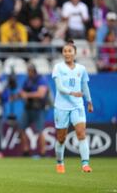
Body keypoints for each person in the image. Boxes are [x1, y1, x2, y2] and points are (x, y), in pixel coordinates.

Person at [52, 40, 94, 173]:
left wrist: (89, 101)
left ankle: (85, 164)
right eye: (64, 51)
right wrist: (72, 93)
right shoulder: (58, 67)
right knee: (61, 138)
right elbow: (59, 87)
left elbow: (85, 85)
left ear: (75, 53)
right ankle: (60, 162)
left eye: (69, 51)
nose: (67, 53)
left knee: (81, 133)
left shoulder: (81, 69)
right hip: (61, 106)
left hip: (77, 106)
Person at [18, 63, 49, 157]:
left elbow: (41, 94)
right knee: (21, 128)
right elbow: (22, 91)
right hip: (28, 108)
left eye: (29, 71)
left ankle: (43, 152)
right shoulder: (27, 80)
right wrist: (21, 94)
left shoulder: (41, 79)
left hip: (39, 108)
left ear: (33, 71)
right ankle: (26, 150)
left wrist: (27, 95)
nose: (28, 73)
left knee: (40, 130)